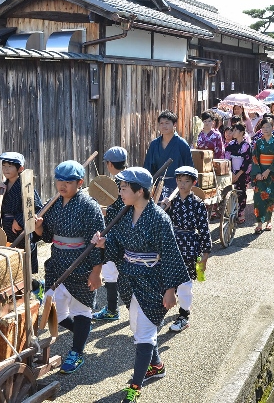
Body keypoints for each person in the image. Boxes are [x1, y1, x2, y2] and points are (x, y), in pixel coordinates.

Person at [91, 167, 190, 403]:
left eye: (124, 188)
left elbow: (170, 255)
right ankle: (156, 365)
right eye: (121, 188)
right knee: (137, 328)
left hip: (152, 282)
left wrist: (170, 290)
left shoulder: (159, 218)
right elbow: (116, 245)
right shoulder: (124, 214)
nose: (121, 192)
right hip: (129, 280)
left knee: (144, 333)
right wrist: (104, 243)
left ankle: (135, 387)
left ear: (140, 191)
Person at [34, 161, 106, 374]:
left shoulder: (89, 206)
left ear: (80, 182)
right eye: (59, 180)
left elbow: (97, 242)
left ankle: (77, 351)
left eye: (68, 182)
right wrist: (38, 228)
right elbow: (47, 236)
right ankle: (81, 332)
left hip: (81, 265)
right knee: (52, 309)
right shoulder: (54, 202)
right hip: (57, 264)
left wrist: (96, 272)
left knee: (82, 308)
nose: (62, 186)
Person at [0, 152, 45, 299]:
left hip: (20, 229)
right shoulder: (4, 186)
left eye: (10, 166)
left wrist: (19, 220)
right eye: (4, 166)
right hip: (5, 228)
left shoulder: (25, 184)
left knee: (23, 265)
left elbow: (35, 207)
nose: (6, 169)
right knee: (9, 265)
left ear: (20, 168)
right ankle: (14, 297)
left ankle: (35, 287)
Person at [160, 166, 211, 332]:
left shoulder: (198, 204)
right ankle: (162, 312)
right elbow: (163, 223)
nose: (182, 184)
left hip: (189, 245)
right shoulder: (172, 202)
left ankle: (184, 316)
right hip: (172, 244)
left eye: (186, 181)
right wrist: (164, 208)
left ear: (193, 183)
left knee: (185, 283)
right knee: (167, 280)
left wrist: (205, 254)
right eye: (179, 180)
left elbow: (203, 229)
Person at [93, 147, 127, 321]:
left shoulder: (116, 184)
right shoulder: (131, 179)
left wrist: (101, 211)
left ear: (109, 164)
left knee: (110, 271)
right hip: (131, 232)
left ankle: (113, 310)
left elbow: (117, 210)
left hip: (116, 233)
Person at [143, 110, 193, 200]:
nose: (164, 126)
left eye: (167, 123)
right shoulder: (154, 144)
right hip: (157, 186)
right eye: (161, 123)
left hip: (178, 186)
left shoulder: (182, 144)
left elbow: (189, 167)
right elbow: (148, 167)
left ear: (174, 125)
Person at [250, 120, 274, 233]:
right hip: (259, 173)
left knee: (270, 197)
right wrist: (258, 173)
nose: (265, 129)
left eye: (268, 127)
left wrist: (269, 171)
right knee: (258, 198)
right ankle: (259, 223)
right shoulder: (258, 142)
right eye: (263, 127)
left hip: (271, 174)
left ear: (272, 128)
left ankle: (269, 221)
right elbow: (254, 158)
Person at [225, 123, 253, 223]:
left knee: (242, 192)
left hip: (243, 173)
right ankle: (233, 212)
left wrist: (239, 174)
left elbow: (247, 161)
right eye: (233, 130)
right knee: (232, 192)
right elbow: (227, 158)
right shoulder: (231, 144)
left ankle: (241, 213)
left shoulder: (246, 145)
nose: (233, 132)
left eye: (236, 130)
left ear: (241, 132)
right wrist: (231, 172)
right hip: (232, 171)